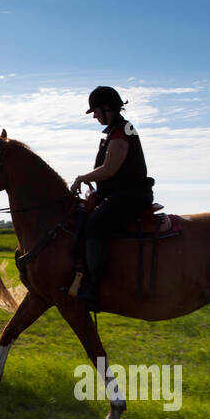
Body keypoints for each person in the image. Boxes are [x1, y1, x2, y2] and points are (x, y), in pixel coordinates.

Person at [69, 88, 155, 308]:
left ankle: (93, 288)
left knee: (95, 226)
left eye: (96, 111)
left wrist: (81, 178)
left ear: (107, 108)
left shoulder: (121, 131)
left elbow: (110, 169)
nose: (95, 116)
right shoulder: (117, 130)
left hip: (131, 195)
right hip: (121, 193)